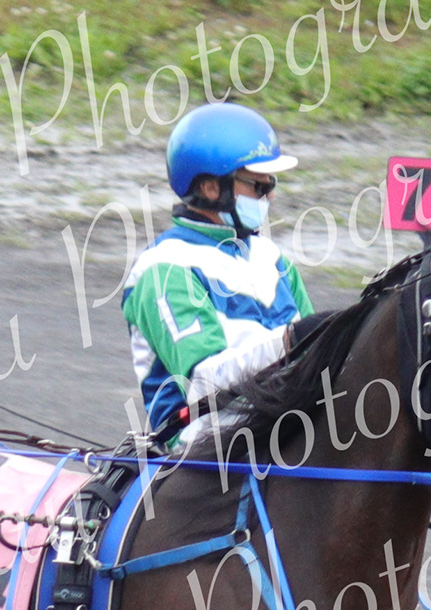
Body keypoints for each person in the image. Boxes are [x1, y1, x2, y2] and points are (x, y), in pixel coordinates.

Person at [121, 103, 309, 454]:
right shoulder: (164, 270)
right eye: (258, 185)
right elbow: (207, 385)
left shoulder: (273, 258)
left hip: (283, 433)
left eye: (271, 184)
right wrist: (289, 341)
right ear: (210, 188)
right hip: (206, 453)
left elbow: (313, 358)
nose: (270, 195)